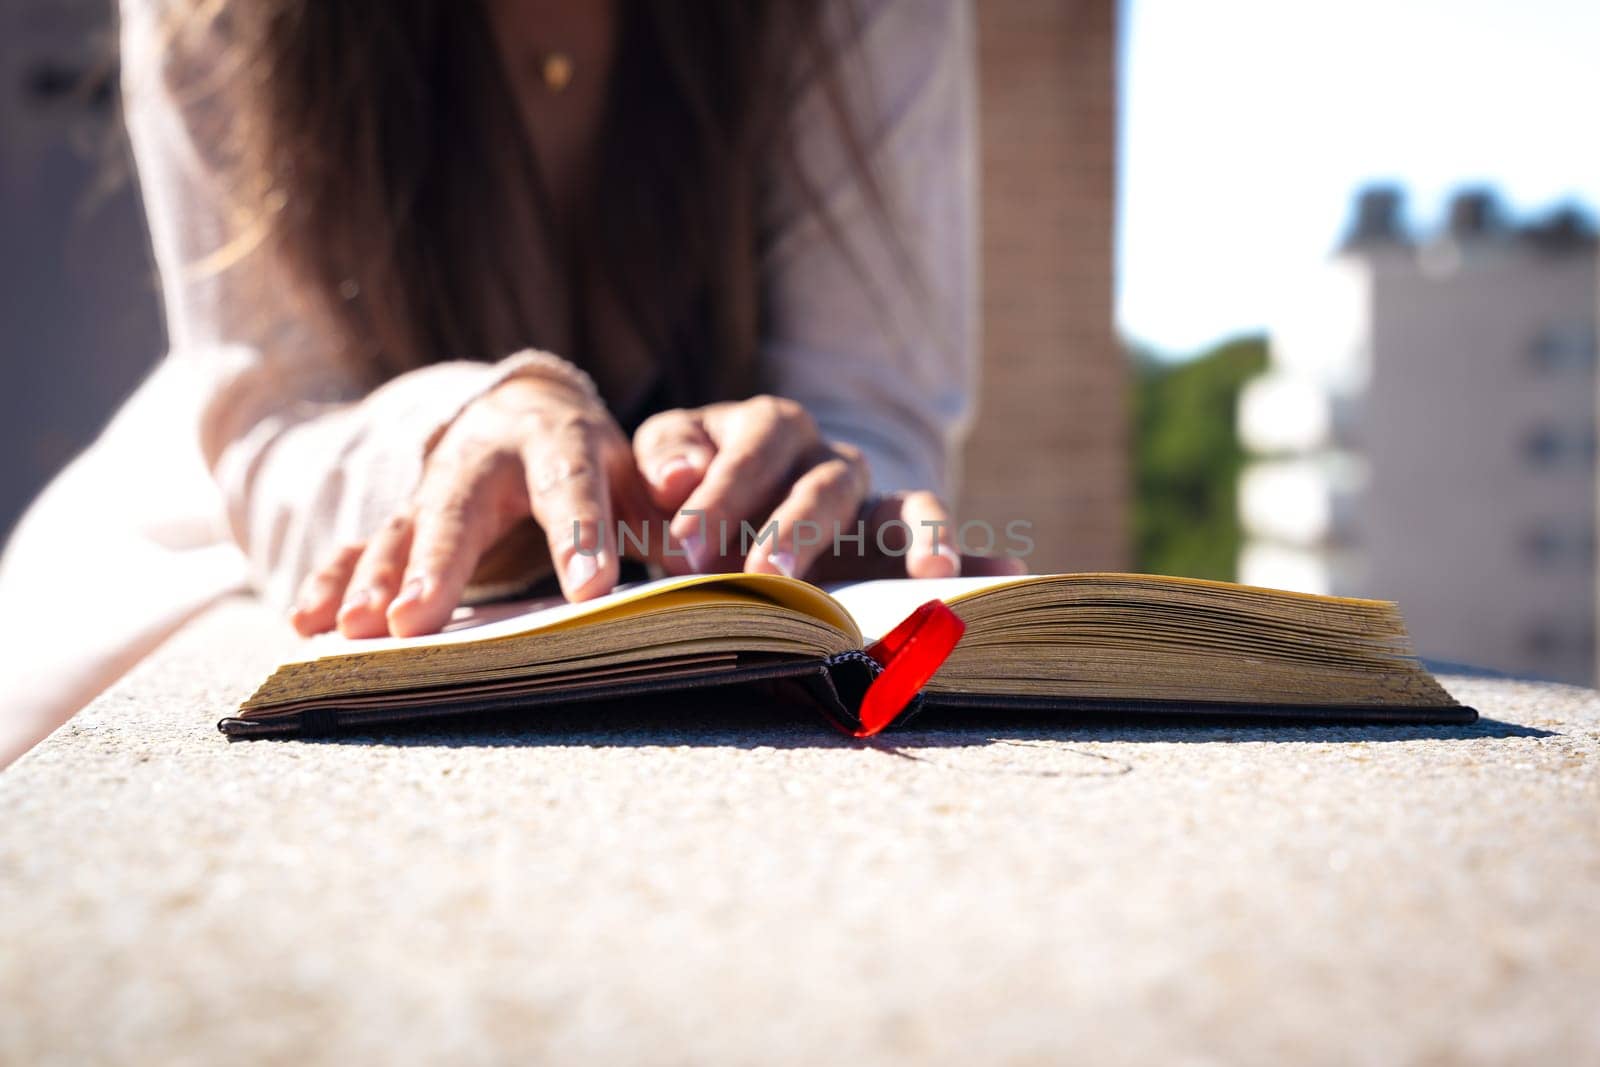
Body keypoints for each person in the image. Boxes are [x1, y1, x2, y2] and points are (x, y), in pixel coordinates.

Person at [0, 0, 1019, 765]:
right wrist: (454, 431)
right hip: (211, 543)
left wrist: (801, 478)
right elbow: (269, 413)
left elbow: (871, 401)